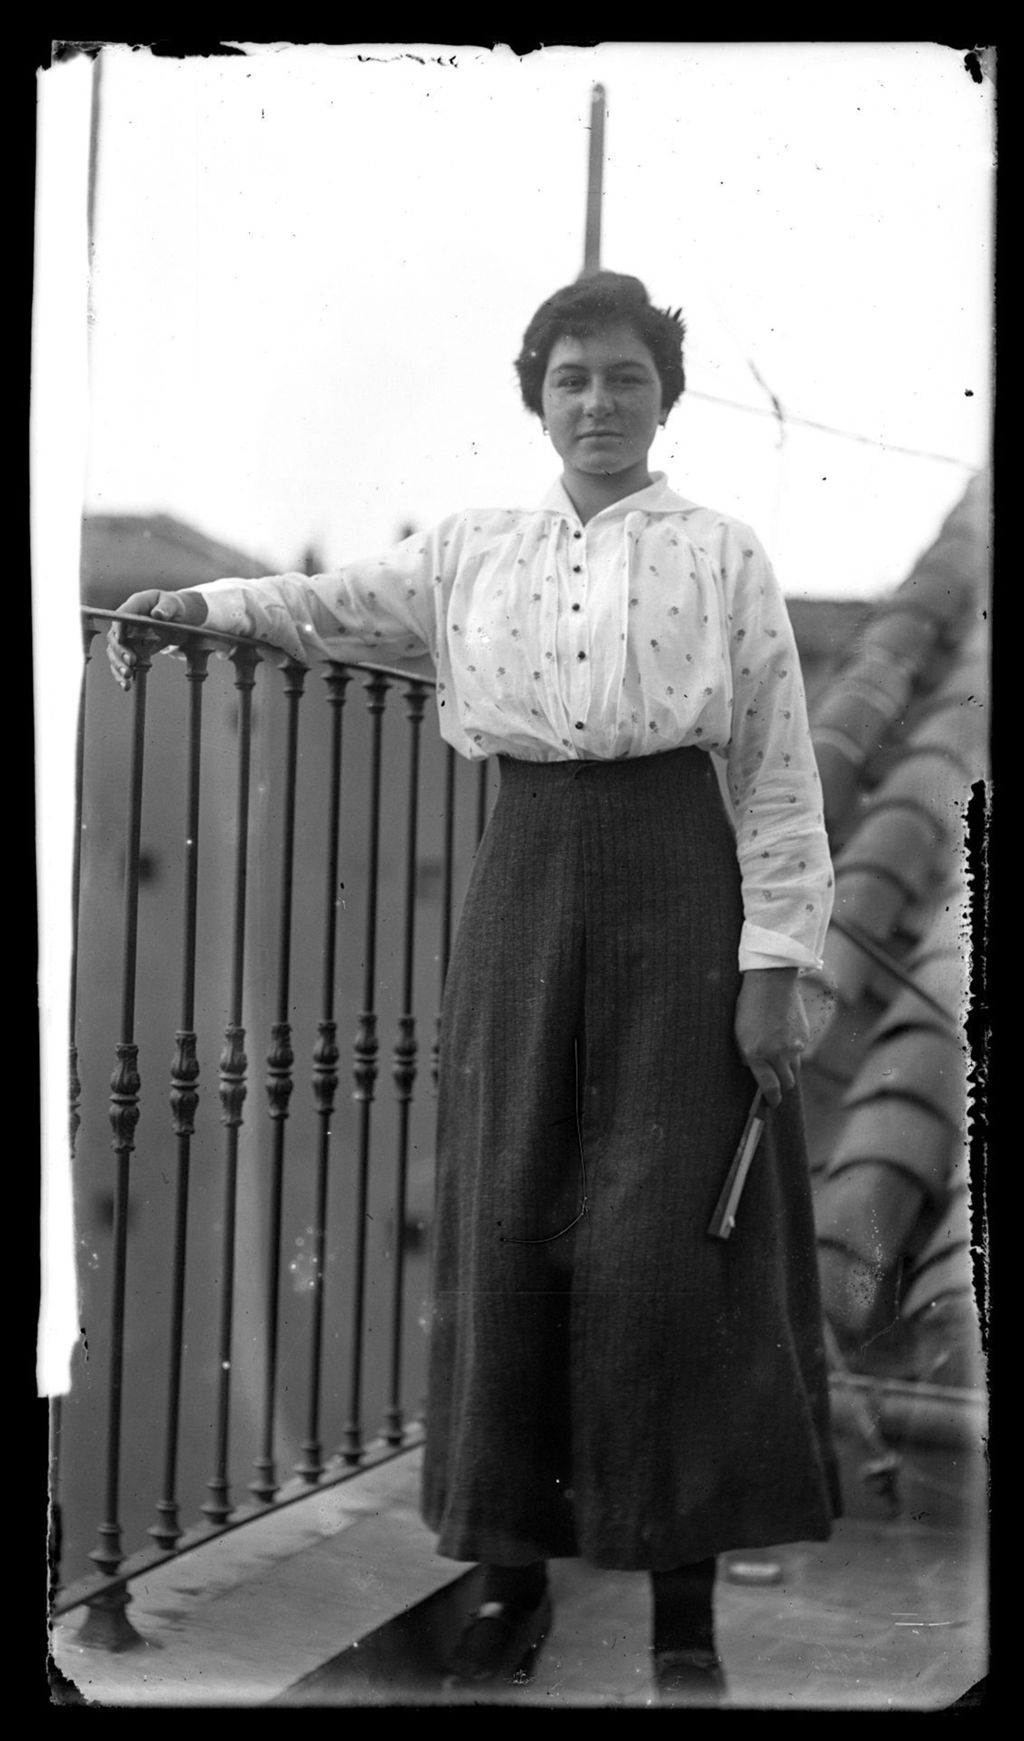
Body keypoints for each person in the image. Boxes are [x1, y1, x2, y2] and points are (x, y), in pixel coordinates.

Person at [108, 271, 840, 1704]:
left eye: (626, 377)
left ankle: (684, 1618)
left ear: (664, 395)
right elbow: (325, 606)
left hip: (681, 886)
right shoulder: (471, 549)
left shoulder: (720, 553)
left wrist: (776, 969)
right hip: (525, 886)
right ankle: (509, 1584)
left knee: (663, 1245)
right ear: (537, 395)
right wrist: (198, 600)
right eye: (572, 379)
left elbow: (776, 771)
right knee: (514, 1220)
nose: (599, 405)